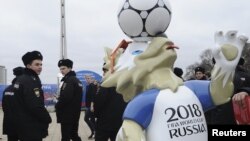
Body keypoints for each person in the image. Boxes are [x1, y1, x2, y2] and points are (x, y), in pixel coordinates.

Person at [13, 51, 52, 141]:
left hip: (23, 125)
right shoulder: (30, 81)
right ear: (28, 66)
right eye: (37, 64)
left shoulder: (21, 79)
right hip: (31, 126)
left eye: (41, 64)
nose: (40, 67)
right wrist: (47, 118)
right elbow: (35, 105)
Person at [211, 57, 250, 124]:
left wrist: (246, 91)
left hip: (242, 116)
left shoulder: (245, 75)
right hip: (220, 119)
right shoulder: (212, 79)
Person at [94, 66, 127, 141]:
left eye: (105, 71)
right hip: (120, 122)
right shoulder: (125, 84)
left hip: (104, 122)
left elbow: (99, 103)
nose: (103, 73)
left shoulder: (106, 84)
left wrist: (96, 115)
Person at [55, 59, 83, 141]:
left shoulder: (69, 80)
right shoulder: (76, 80)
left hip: (67, 115)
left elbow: (66, 97)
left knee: (66, 137)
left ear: (70, 68)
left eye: (63, 68)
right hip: (74, 114)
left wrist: (57, 105)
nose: (61, 71)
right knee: (74, 135)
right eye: (60, 69)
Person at [2, 67, 24, 141]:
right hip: (22, 124)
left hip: (9, 123)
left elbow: (4, 107)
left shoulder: (7, 89)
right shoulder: (23, 88)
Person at [84, 75, 97, 139]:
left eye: (89, 78)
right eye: (86, 78)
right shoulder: (87, 86)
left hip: (91, 106)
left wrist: (92, 106)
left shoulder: (92, 86)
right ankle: (94, 133)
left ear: (91, 79)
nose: (87, 79)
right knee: (92, 120)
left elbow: (93, 97)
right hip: (88, 105)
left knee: (86, 118)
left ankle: (94, 132)